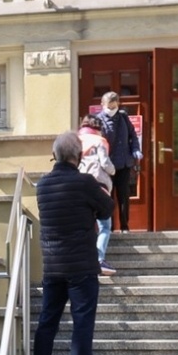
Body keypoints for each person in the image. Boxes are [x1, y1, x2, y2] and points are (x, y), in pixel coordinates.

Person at [31, 129, 115, 355]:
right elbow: (107, 209)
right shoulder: (85, 182)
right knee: (82, 323)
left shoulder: (42, 185)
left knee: (47, 322)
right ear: (78, 156)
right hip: (81, 266)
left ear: (55, 155)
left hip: (53, 266)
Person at [96, 91, 143, 232]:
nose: (111, 110)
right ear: (102, 105)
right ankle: (109, 228)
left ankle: (124, 226)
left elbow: (132, 135)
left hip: (123, 163)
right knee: (107, 197)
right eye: (109, 107)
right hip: (106, 165)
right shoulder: (98, 120)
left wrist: (135, 149)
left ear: (118, 104)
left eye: (114, 106)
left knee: (123, 195)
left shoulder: (123, 117)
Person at [76, 114, 117, 275]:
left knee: (84, 224)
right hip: (98, 187)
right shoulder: (100, 141)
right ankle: (99, 259)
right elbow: (105, 163)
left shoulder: (75, 141)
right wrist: (113, 171)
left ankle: (82, 260)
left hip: (78, 186)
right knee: (104, 226)